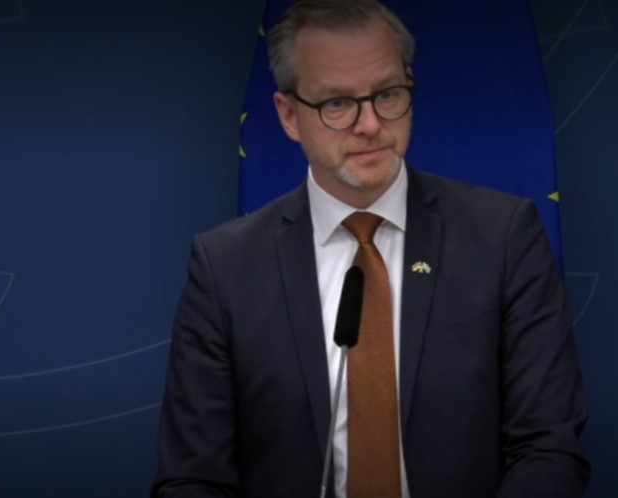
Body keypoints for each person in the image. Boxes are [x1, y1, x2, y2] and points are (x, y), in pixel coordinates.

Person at [151, 1, 590, 497]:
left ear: (409, 84)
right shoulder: (225, 268)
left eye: (387, 94)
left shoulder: (503, 237)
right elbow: (192, 478)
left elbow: (548, 448)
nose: (370, 124)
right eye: (337, 103)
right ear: (289, 115)